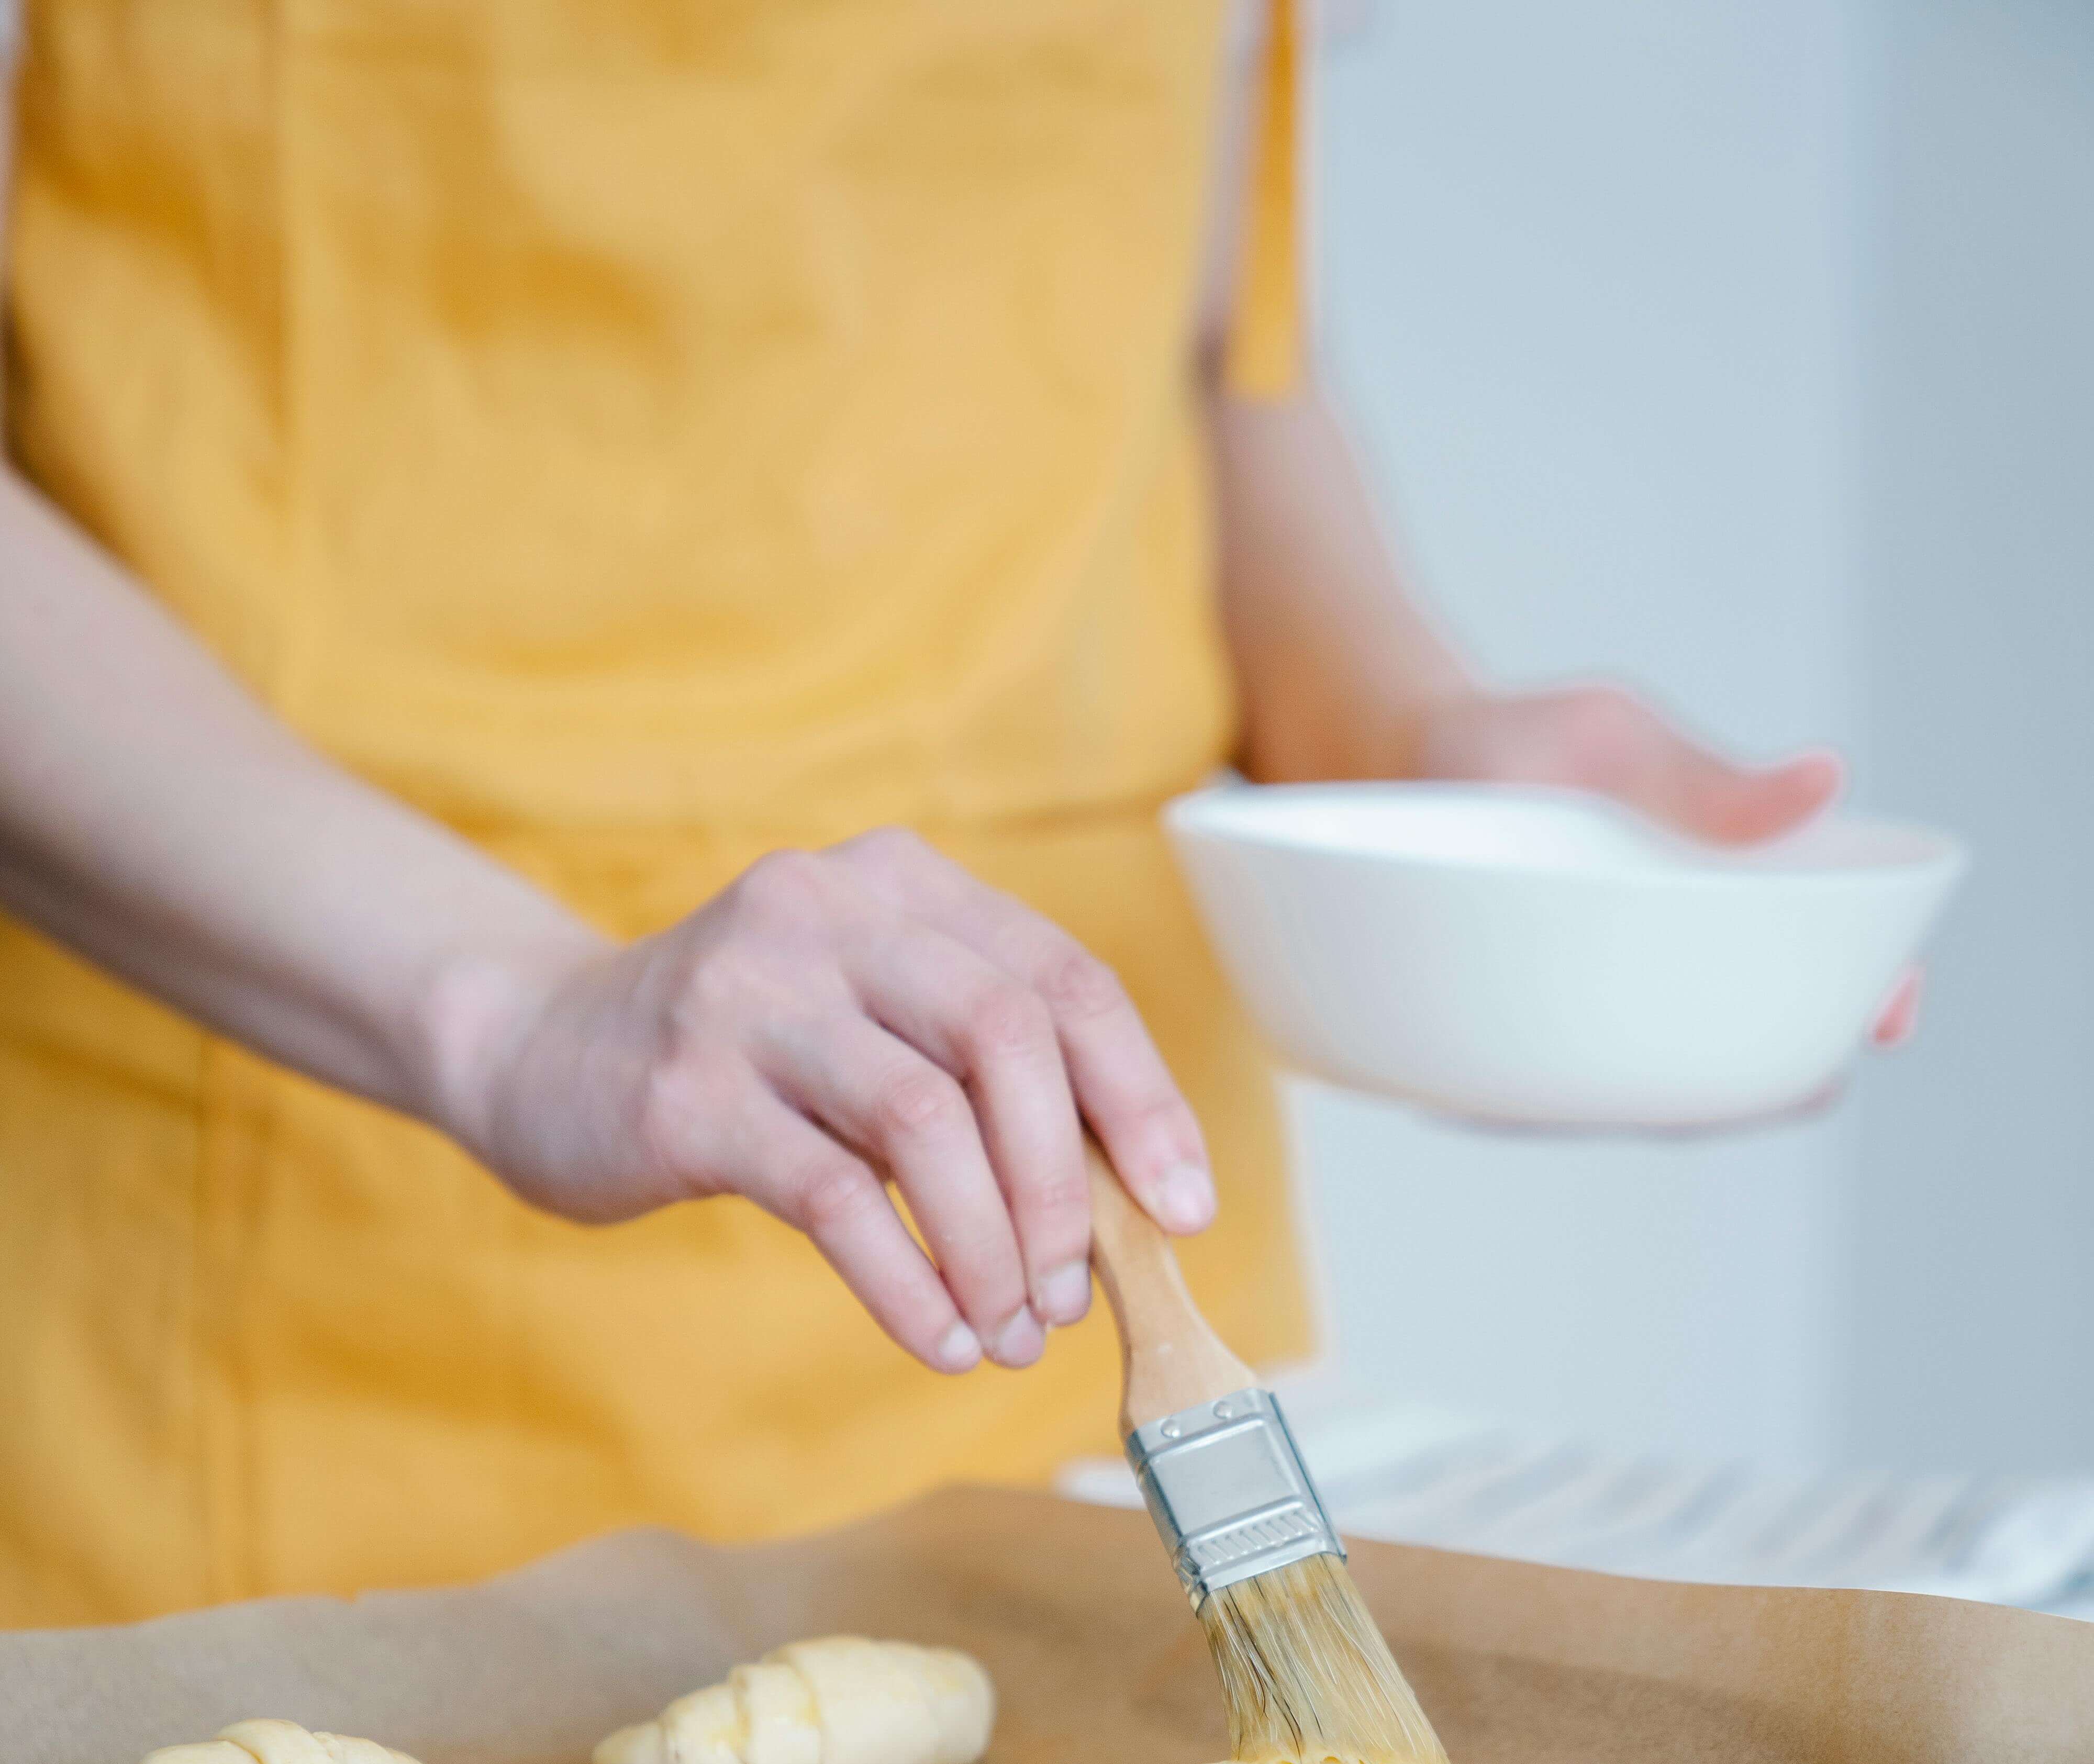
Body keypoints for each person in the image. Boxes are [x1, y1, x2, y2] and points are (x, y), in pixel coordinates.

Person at [0, 2, 1895, 1628]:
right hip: (301, 1345)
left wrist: (1409, 738)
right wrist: (513, 1002)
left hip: (1100, 1361)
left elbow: (1195, 344)